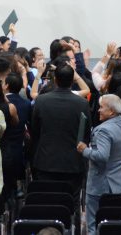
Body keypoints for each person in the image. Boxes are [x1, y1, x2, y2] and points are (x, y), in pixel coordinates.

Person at [29, 63, 91, 194]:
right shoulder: (82, 103)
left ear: (55, 80)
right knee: (71, 200)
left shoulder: (41, 101)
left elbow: (35, 130)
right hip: (73, 162)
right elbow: (86, 133)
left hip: (45, 160)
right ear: (72, 81)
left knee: (47, 199)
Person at [79, 94, 121, 235]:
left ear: (112, 111)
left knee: (93, 226)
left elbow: (102, 156)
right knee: (113, 225)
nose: (98, 110)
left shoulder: (102, 130)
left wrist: (85, 150)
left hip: (100, 186)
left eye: (101, 107)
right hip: (119, 183)